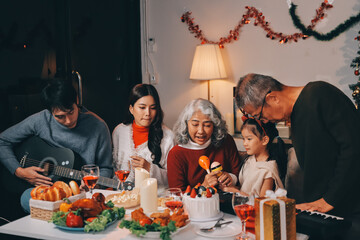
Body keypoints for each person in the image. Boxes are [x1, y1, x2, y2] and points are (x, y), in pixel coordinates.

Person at [235, 73, 360, 239]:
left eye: (259, 115)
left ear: (272, 98)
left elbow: (354, 148)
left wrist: (329, 200)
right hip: (322, 213)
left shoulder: (320, 94)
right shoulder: (294, 116)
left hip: (348, 211)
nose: (263, 121)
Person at [0, 78, 113, 213]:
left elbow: (106, 168)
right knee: (26, 199)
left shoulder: (98, 126)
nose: (68, 120)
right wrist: (19, 171)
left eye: (71, 111)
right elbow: (3, 141)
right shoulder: (40, 120)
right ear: (50, 111)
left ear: (76, 100)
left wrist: (94, 183)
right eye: (60, 116)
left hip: (79, 192)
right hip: (47, 190)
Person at [167, 98, 241, 191]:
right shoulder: (176, 154)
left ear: (215, 125)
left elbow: (238, 173)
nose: (201, 131)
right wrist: (203, 186)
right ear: (186, 124)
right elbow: (177, 195)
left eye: (207, 125)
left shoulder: (226, 141)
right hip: (194, 205)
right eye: (195, 124)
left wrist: (231, 178)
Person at [112, 84, 174, 192]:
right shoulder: (119, 132)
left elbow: (173, 179)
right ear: (131, 109)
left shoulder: (168, 137)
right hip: (123, 198)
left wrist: (149, 168)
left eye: (153, 108)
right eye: (142, 107)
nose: (148, 113)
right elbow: (114, 169)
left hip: (155, 199)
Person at [222, 116, 287, 197]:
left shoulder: (268, 171)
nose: (245, 143)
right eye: (243, 139)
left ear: (264, 140)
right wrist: (230, 188)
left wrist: (237, 192)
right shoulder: (249, 161)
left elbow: (262, 202)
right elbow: (244, 187)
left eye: (249, 139)